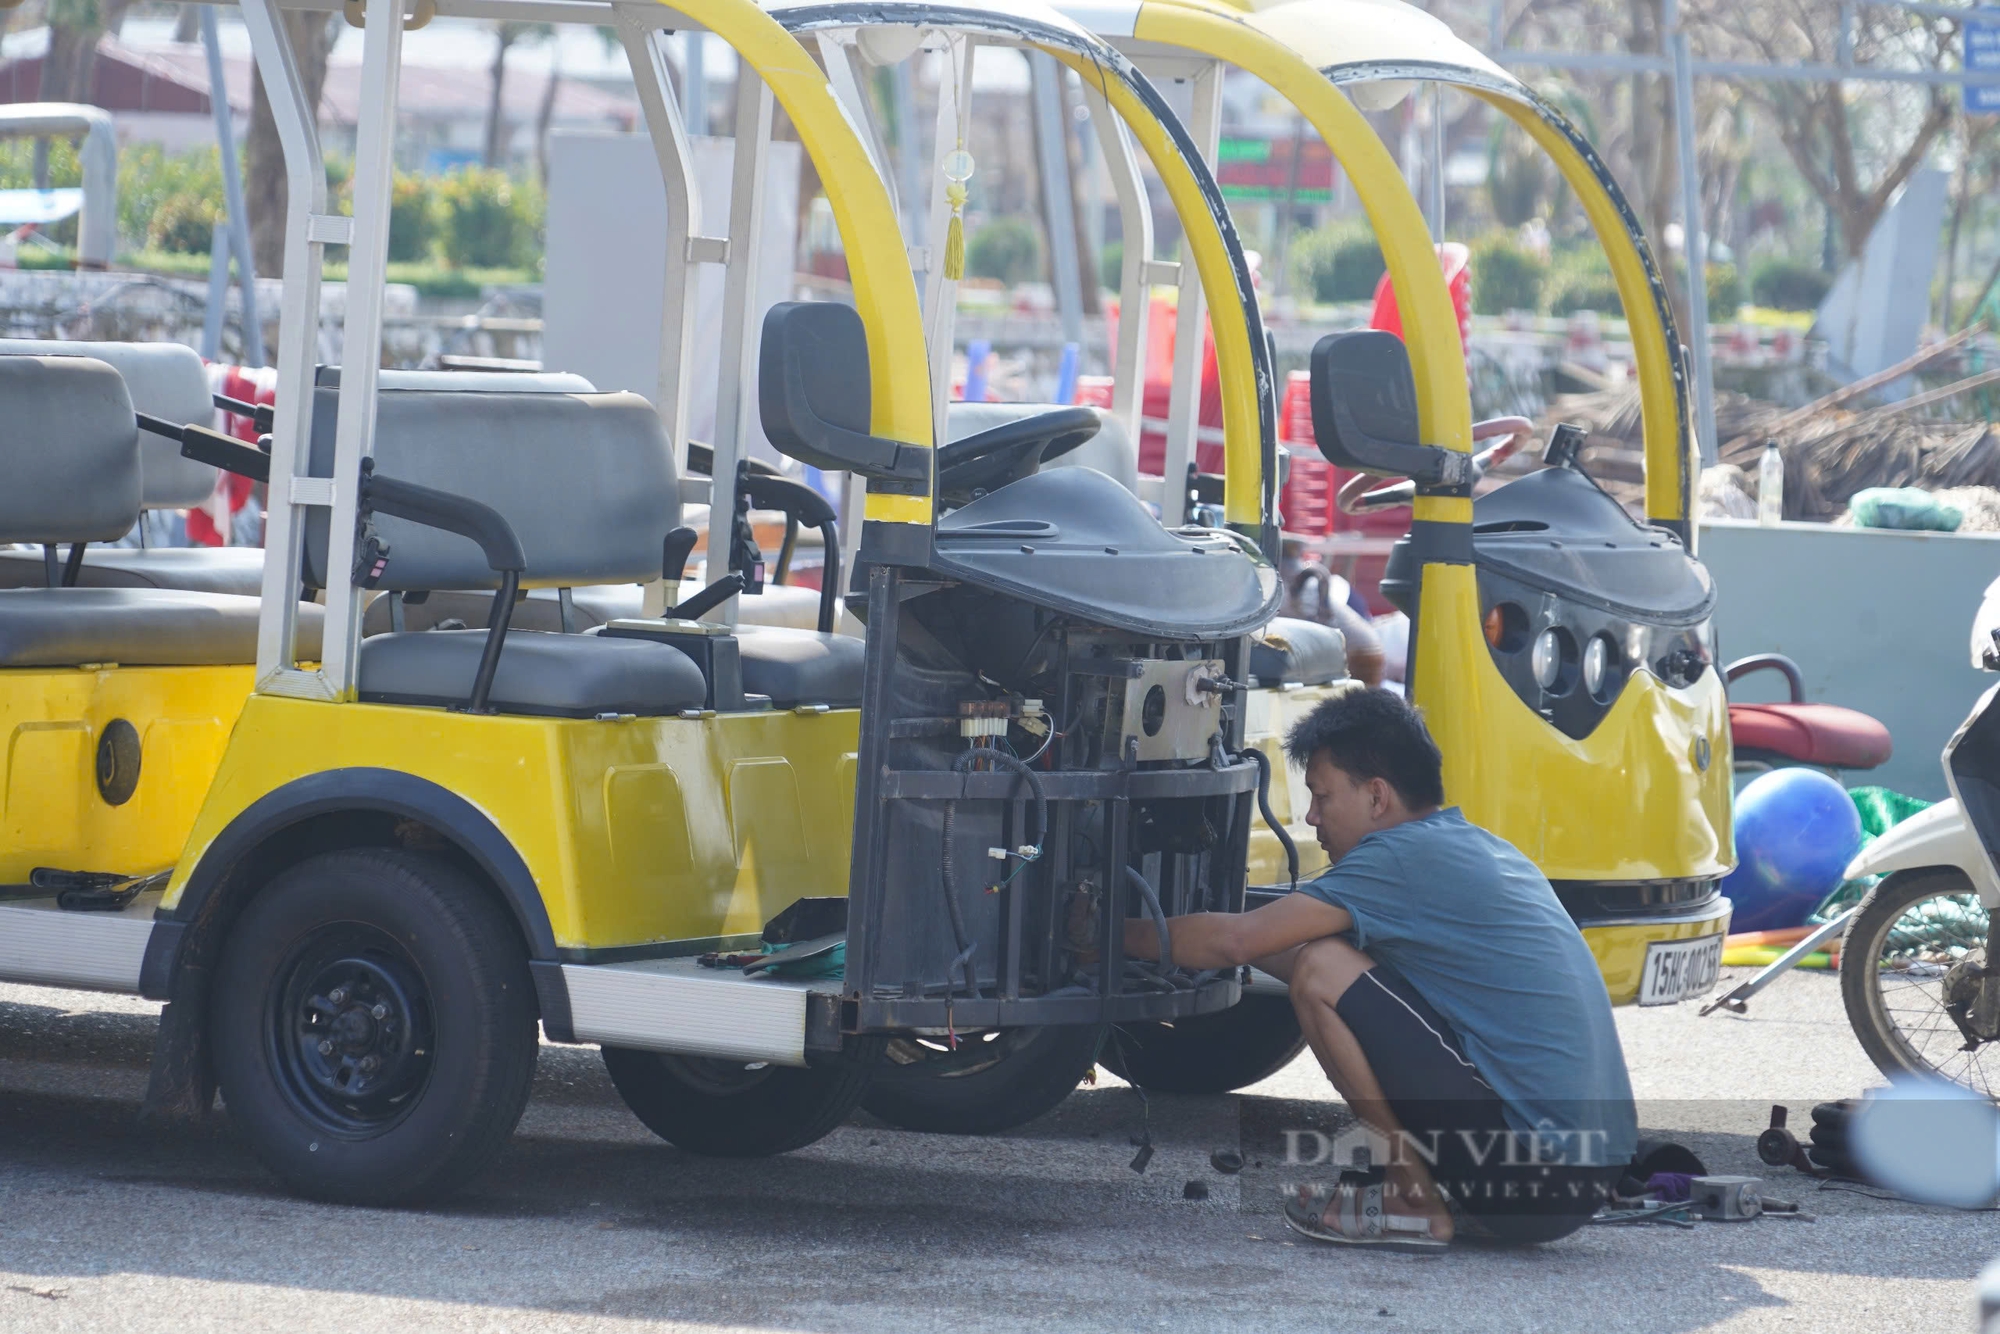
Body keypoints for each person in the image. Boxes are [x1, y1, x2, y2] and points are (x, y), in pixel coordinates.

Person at [1118, 688, 1636, 1248]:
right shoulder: (1473, 847)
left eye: (1322, 796)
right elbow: (1273, 945)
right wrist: (1211, 926)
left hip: (1535, 1176)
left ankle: (1410, 1200)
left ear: (1377, 797)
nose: (1313, 816)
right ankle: (1415, 1192)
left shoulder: (1396, 860)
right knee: (1321, 962)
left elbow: (1242, 945)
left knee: (1320, 970)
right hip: (1580, 1179)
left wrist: (1111, 937)